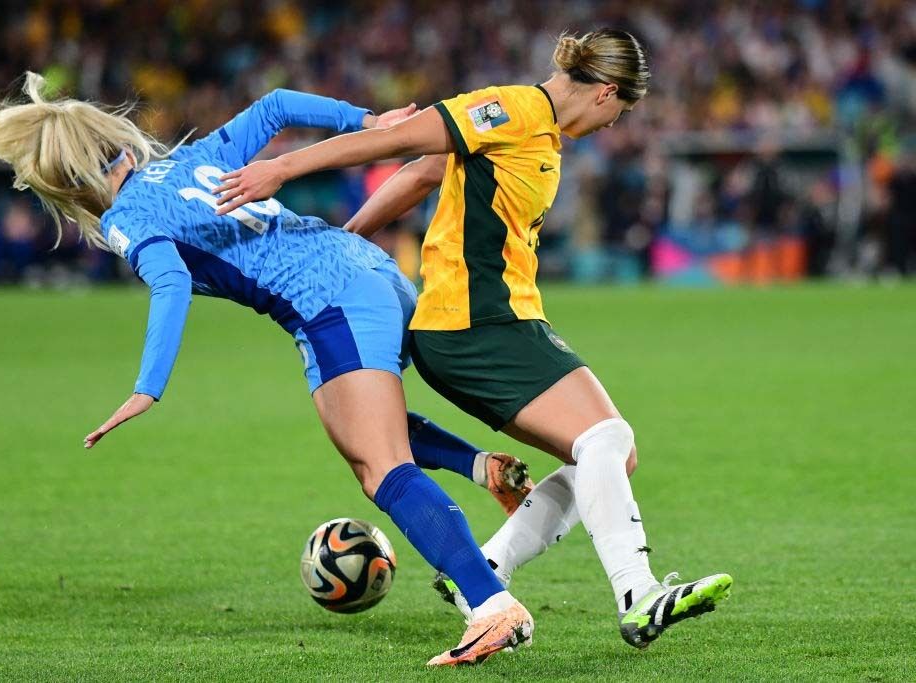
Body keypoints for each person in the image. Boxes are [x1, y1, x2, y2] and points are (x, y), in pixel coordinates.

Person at [0, 72, 535, 667]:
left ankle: (491, 607)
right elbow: (275, 107)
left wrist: (148, 388)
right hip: (368, 268)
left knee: (382, 470)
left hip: (328, 302)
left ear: (67, 187)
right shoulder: (191, 160)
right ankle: (481, 467)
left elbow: (170, 282)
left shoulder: (127, 217)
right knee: (362, 429)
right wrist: (368, 120)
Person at [213, 28, 733, 650]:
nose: (615, 126)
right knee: (605, 438)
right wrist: (284, 167)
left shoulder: (536, 132)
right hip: (473, 323)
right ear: (607, 93)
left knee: (610, 455)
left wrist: (346, 241)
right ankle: (637, 592)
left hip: (502, 319)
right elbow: (400, 139)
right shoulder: (511, 110)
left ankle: (483, 573)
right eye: (621, 113)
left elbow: (422, 173)